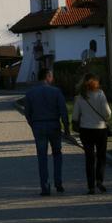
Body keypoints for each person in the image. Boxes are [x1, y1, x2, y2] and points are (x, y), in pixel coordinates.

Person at [23, 67, 70, 196]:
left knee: (42, 157)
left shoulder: (30, 93)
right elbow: (63, 111)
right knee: (57, 154)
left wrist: (33, 124)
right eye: (51, 76)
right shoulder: (56, 92)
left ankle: (45, 186)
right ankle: (58, 182)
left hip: (38, 126)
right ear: (48, 76)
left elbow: (27, 113)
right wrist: (66, 128)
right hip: (54, 125)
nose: (52, 78)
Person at [72, 73, 111, 194]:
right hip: (100, 129)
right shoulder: (100, 94)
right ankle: (99, 180)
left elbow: (74, 116)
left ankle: (91, 186)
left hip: (85, 130)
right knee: (101, 156)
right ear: (96, 82)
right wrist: (105, 119)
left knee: (89, 158)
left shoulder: (80, 97)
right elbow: (107, 113)